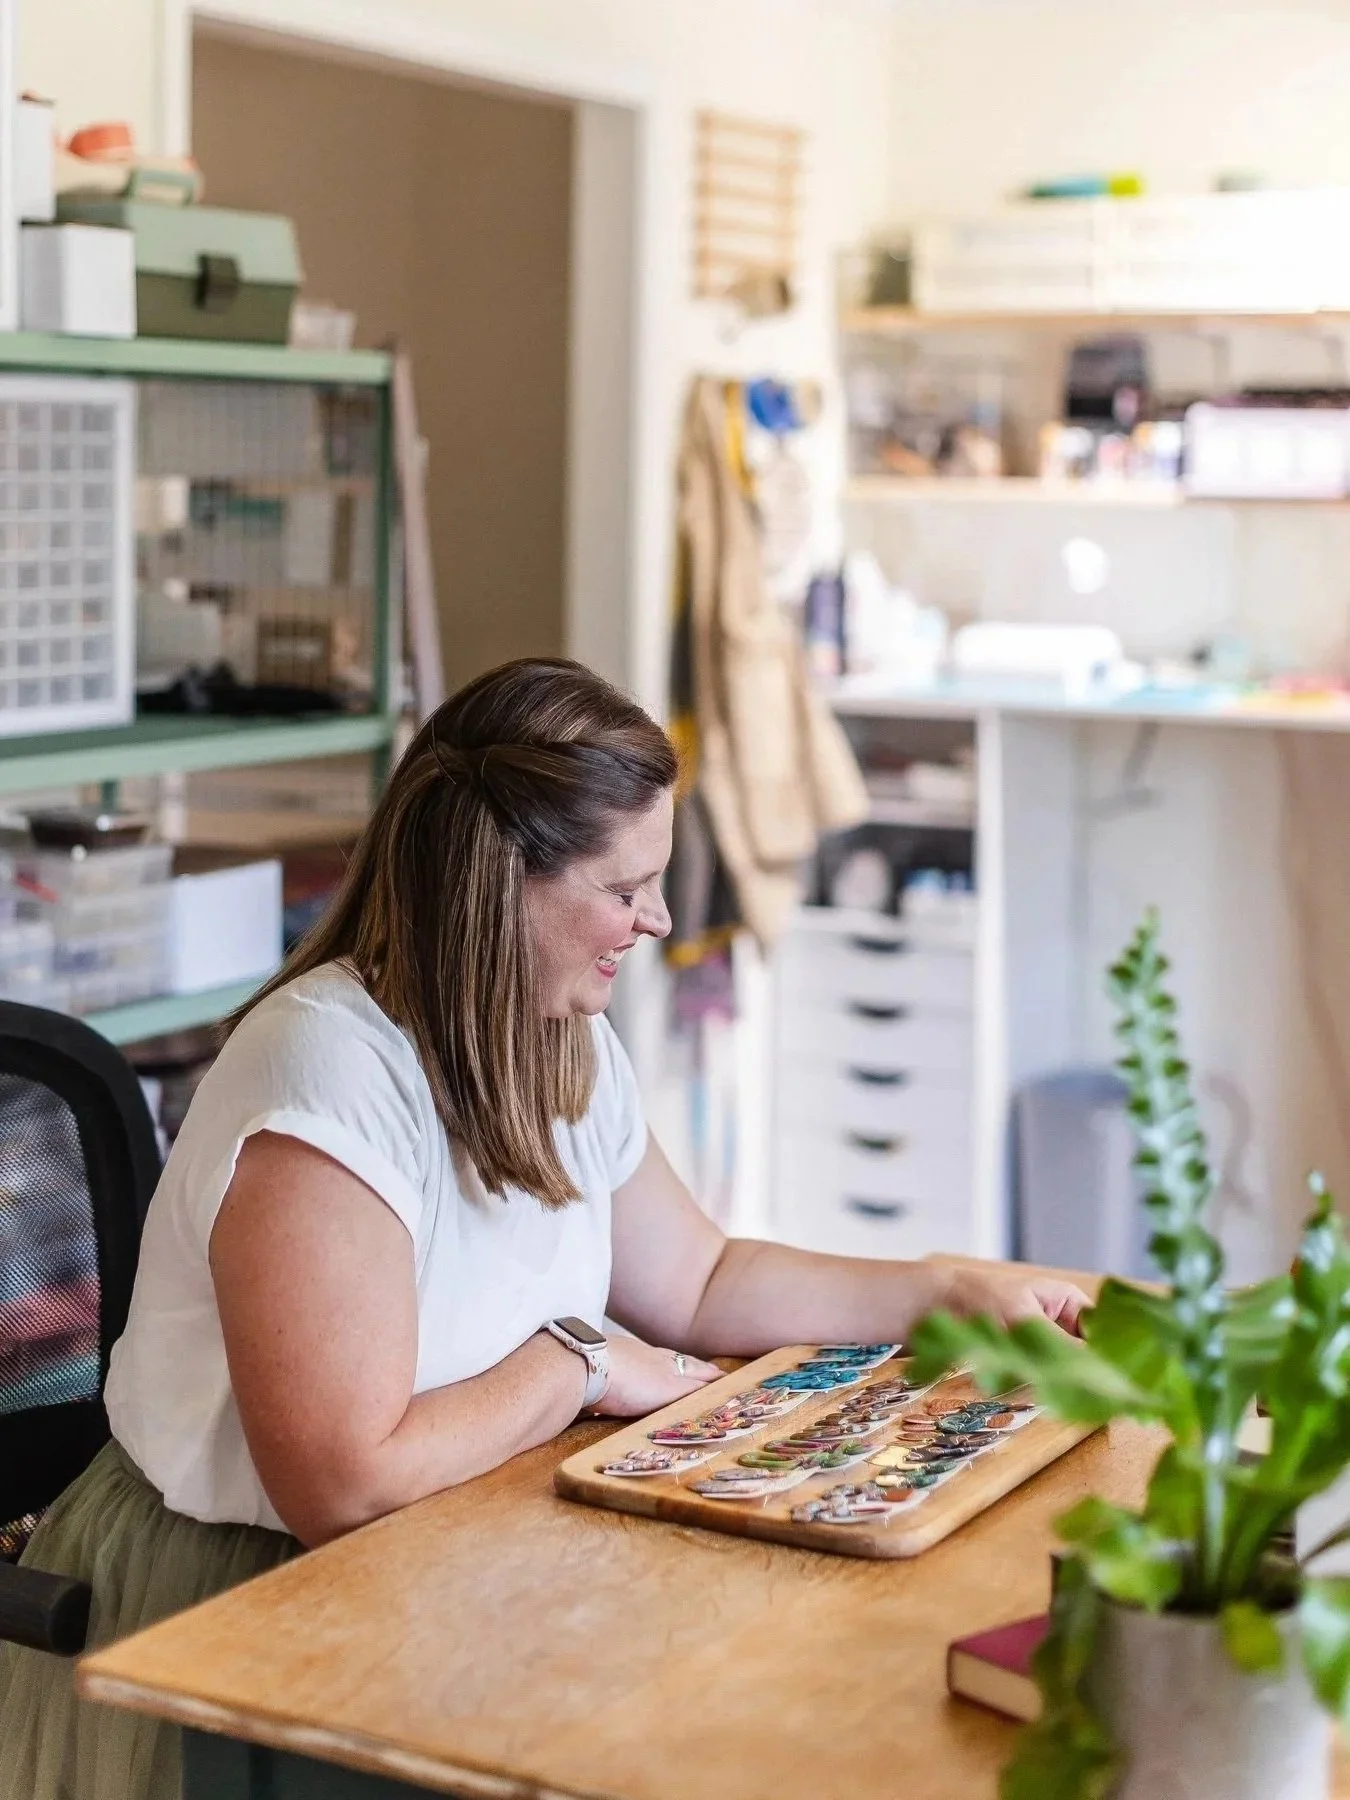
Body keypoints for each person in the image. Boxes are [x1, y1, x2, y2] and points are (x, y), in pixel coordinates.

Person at [0, 658, 1087, 1800]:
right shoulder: (324, 1072)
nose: (659, 920)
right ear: (501, 883)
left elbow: (702, 1283)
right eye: (628, 888)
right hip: (243, 1603)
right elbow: (344, 1484)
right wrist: (574, 1362)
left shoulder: (557, 1035)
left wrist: (943, 1288)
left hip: (452, 1552)